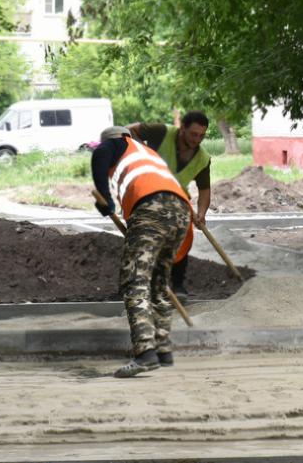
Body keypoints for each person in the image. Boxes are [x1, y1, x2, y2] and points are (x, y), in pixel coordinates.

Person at [91, 125, 193, 377]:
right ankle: (162, 350)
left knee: (135, 282)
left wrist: (104, 199)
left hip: (151, 208)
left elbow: (100, 154)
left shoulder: (115, 144)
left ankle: (145, 353)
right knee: (159, 283)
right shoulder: (147, 151)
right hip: (180, 211)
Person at [126, 111, 212, 300]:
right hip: (148, 192)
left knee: (182, 237)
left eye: (201, 136)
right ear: (182, 129)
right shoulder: (161, 132)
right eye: (193, 134)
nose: (197, 139)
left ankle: (178, 284)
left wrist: (201, 213)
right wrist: (140, 151)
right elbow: (129, 130)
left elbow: (204, 190)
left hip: (176, 199)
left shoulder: (202, 159)